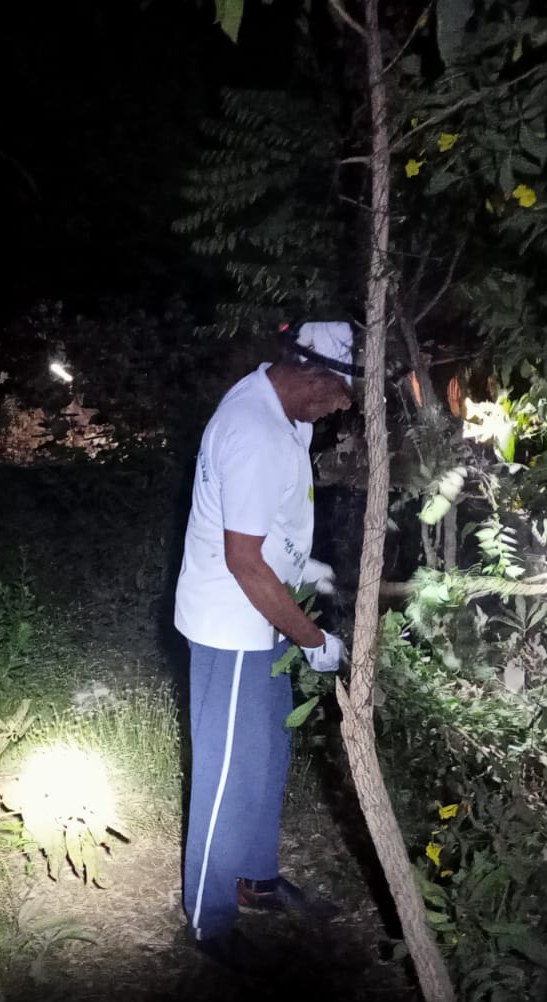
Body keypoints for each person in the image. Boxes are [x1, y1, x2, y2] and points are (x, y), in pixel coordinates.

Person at [173, 322, 356, 966]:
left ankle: (254, 877)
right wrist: (314, 639)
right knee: (227, 772)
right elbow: (244, 561)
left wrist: (305, 567)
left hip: (264, 620)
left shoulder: (280, 411)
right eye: (338, 396)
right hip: (232, 626)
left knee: (266, 756)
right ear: (312, 374)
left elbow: (266, 526)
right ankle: (209, 918)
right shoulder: (254, 430)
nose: (338, 410)